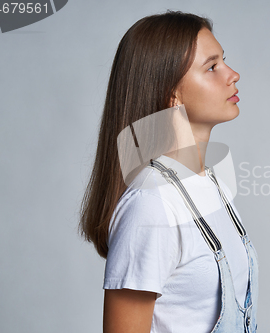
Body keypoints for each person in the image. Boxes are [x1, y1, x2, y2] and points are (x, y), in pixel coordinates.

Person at [78, 10, 258, 333]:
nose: (233, 74)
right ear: (172, 95)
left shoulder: (212, 186)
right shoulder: (151, 205)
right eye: (212, 67)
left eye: (224, 61)